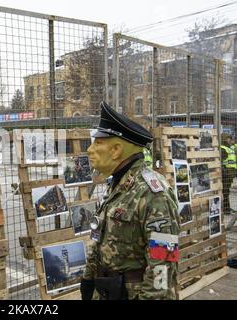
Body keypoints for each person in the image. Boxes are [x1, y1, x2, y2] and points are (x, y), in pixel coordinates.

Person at [80, 101, 180, 300]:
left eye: (98, 143)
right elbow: (100, 237)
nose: (90, 150)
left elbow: (164, 264)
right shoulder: (118, 185)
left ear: (116, 150)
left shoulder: (153, 193)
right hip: (108, 290)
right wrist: (89, 278)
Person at [221, 134, 236, 215]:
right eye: (231, 139)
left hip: (230, 173)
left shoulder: (230, 147)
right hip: (226, 174)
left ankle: (227, 208)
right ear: (227, 139)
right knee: (225, 192)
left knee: (226, 191)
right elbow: (220, 162)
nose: (232, 141)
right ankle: (226, 209)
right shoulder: (223, 149)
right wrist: (224, 170)